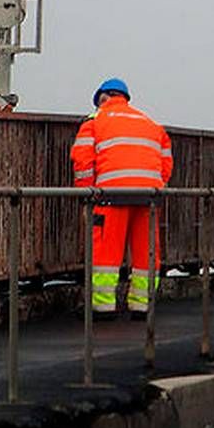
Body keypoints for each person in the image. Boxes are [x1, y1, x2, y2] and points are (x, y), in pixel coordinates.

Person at [69, 79, 173, 320]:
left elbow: (83, 163)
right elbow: (166, 163)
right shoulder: (151, 124)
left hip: (110, 195)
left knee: (106, 254)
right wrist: (154, 185)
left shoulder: (94, 122)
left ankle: (103, 308)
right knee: (146, 252)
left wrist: (87, 194)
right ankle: (142, 307)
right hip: (148, 195)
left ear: (103, 98)